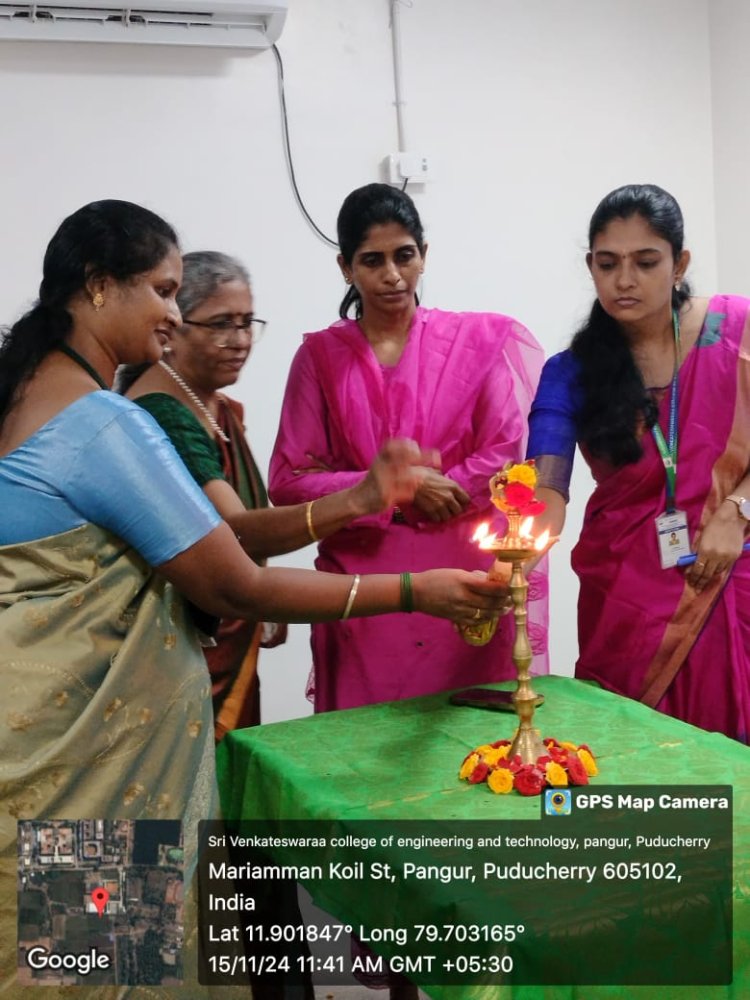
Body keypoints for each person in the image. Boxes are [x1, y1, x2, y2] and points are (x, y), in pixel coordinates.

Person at [0, 199, 514, 995]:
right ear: (101, 288)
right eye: (166, 292)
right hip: (94, 745)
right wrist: (416, 589)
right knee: (113, 963)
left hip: (41, 718)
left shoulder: (28, 390)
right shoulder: (105, 425)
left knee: (68, 950)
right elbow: (235, 575)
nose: (174, 315)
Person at [123, 251, 431, 740]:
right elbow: (236, 531)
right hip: (177, 652)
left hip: (226, 637)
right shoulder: (163, 413)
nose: (241, 340)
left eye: (247, 323)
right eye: (221, 324)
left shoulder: (218, 408)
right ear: (174, 327)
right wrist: (359, 498)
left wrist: (262, 601)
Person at [269, 182, 548, 714]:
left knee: (471, 744)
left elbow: (507, 451)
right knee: (365, 748)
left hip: (464, 582)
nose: (392, 274)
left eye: (405, 255)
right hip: (363, 590)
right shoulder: (320, 359)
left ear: (424, 255)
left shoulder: (476, 343)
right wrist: (396, 489)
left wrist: (440, 486)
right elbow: (288, 479)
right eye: (372, 261)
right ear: (345, 267)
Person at [527, 183, 750, 742]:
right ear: (591, 267)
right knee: (637, 766)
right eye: (608, 264)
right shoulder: (571, 370)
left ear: (680, 263)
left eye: (645, 262)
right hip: (625, 596)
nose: (625, 280)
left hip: (731, 574)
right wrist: (521, 545)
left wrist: (737, 510)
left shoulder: (737, 331)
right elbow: (545, 484)